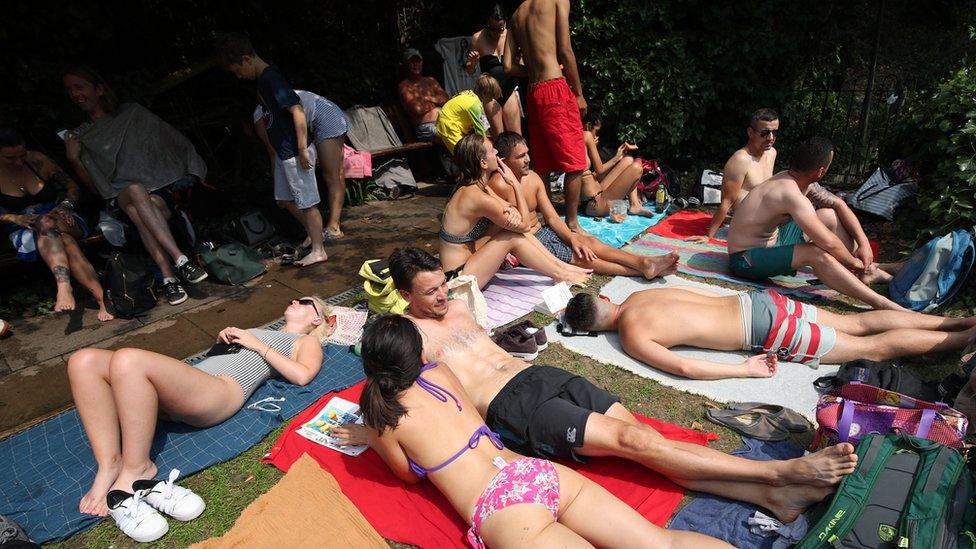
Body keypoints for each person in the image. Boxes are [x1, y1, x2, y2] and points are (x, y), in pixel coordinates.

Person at [336, 247, 860, 525]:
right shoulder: (407, 336)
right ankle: (781, 471)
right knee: (635, 444)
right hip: (511, 408)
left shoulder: (456, 303)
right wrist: (369, 429)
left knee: (649, 446)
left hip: (543, 376)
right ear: (404, 294)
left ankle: (776, 499)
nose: (443, 296)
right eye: (429, 293)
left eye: (443, 284)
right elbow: (386, 383)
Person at [355, 314, 731, 548]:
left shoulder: (385, 418)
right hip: (535, 472)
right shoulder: (440, 372)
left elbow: (408, 476)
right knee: (660, 543)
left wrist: (373, 438)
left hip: (502, 507)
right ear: (419, 355)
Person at [67, 296, 330, 540]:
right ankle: (109, 463)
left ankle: (137, 468)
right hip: (190, 386)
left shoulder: (306, 341)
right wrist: (220, 344)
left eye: (304, 301)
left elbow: (302, 375)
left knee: (127, 359)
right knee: (83, 360)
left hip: (221, 391)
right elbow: (214, 362)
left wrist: (255, 344)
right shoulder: (263, 332)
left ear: (316, 319)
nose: (295, 300)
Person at [564, 288, 976, 379]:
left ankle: (963, 337)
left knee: (871, 348)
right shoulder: (639, 295)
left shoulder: (632, 335)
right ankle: (958, 323)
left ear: (593, 330)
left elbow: (684, 366)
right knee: (860, 322)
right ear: (604, 297)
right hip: (759, 302)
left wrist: (745, 370)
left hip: (762, 328)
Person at [62, 66, 209, 306]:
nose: (75, 94)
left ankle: (169, 278)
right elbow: (95, 186)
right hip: (118, 197)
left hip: (156, 192)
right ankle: (181, 260)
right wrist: (73, 159)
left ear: (98, 89)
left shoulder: (132, 114)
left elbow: (167, 142)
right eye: (70, 90)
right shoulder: (79, 135)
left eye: (80, 87)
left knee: (139, 207)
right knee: (134, 191)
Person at [727, 137, 900, 310]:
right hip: (745, 260)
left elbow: (839, 204)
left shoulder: (795, 180)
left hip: (772, 242)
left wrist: (864, 243)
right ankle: (880, 301)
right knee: (815, 253)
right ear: (821, 171)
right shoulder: (789, 193)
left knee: (828, 215)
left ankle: (866, 271)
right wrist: (854, 263)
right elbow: (828, 243)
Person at [489, 132, 679, 279]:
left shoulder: (533, 178)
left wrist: (573, 239)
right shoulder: (498, 185)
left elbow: (553, 217)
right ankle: (643, 269)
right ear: (503, 162)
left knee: (589, 242)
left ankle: (643, 262)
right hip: (527, 243)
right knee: (583, 259)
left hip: (543, 232)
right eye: (520, 157)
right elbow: (500, 228)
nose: (528, 160)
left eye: (527, 153)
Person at [216, 33, 329, 266]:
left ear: (247, 59)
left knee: (307, 203)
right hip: (284, 152)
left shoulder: (271, 78)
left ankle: (319, 249)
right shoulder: (263, 81)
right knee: (284, 199)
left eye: (238, 70)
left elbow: (297, 110)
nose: (239, 76)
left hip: (295, 151)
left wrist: (301, 148)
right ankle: (313, 233)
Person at [440, 134, 591, 288]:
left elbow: (510, 211)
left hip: (470, 262)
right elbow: (525, 225)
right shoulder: (477, 197)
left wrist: (510, 210)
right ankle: (561, 274)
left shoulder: (477, 187)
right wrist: (516, 185)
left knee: (513, 231)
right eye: (493, 151)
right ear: (483, 162)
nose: (497, 154)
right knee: (511, 235)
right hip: (458, 277)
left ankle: (563, 268)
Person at [0, 128, 113, 321]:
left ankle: (63, 286)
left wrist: (65, 206)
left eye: (22, 155)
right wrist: (13, 218)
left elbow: (72, 187)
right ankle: (102, 299)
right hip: (23, 226)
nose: (19, 162)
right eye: (11, 158)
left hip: (61, 216)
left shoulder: (37, 160)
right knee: (65, 241)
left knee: (47, 222)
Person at [504, 0, 589, 233]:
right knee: (575, 161)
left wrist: (531, 70)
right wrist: (579, 93)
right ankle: (571, 222)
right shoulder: (557, 1)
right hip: (555, 87)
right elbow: (565, 50)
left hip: (533, 91)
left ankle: (549, 220)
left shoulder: (517, 14)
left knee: (542, 163)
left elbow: (508, 65)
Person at [251, 89, 349, 244]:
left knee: (332, 174)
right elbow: (275, 152)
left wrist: (278, 178)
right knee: (284, 197)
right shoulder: (263, 112)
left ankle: (333, 227)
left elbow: (273, 152)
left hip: (325, 115)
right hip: (307, 125)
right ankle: (315, 230)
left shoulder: (262, 116)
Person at [688, 108, 780, 244]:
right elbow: (726, 202)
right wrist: (709, 236)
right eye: (765, 133)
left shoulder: (772, 153)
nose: (771, 138)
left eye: (775, 132)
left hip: (769, 222)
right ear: (750, 132)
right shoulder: (740, 160)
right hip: (750, 228)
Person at [465, 3, 523, 136]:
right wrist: (472, 62)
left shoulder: (511, 36)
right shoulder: (477, 38)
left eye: (500, 28)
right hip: (490, 93)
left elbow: (522, 64)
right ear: (487, 23)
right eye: (492, 28)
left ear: (505, 23)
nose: (496, 33)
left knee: (516, 136)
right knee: (499, 136)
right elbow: (469, 71)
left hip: (509, 88)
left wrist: (520, 60)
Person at [580, 107, 649, 217]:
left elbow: (591, 174)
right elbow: (599, 169)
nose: (596, 135)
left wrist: (617, 158)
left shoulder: (580, 137)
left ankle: (634, 204)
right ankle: (634, 205)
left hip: (595, 193)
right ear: (588, 126)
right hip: (594, 204)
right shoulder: (587, 136)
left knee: (628, 160)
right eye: (596, 131)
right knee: (637, 167)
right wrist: (614, 158)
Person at [398, 48, 449, 142]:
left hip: (443, 123)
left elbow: (445, 99)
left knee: (465, 131)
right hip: (425, 128)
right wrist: (437, 104)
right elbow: (417, 109)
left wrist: (427, 98)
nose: (415, 64)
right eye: (411, 61)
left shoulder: (430, 81)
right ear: (405, 65)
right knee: (451, 135)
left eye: (418, 61)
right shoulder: (404, 85)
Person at [434, 82, 494, 153]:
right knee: (462, 153)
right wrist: (490, 150)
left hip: (451, 120)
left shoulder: (469, 93)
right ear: (485, 94)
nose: (491, 100)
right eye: (491, 97)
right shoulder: (475, 106)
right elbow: (481, 132)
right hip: (448, 125)